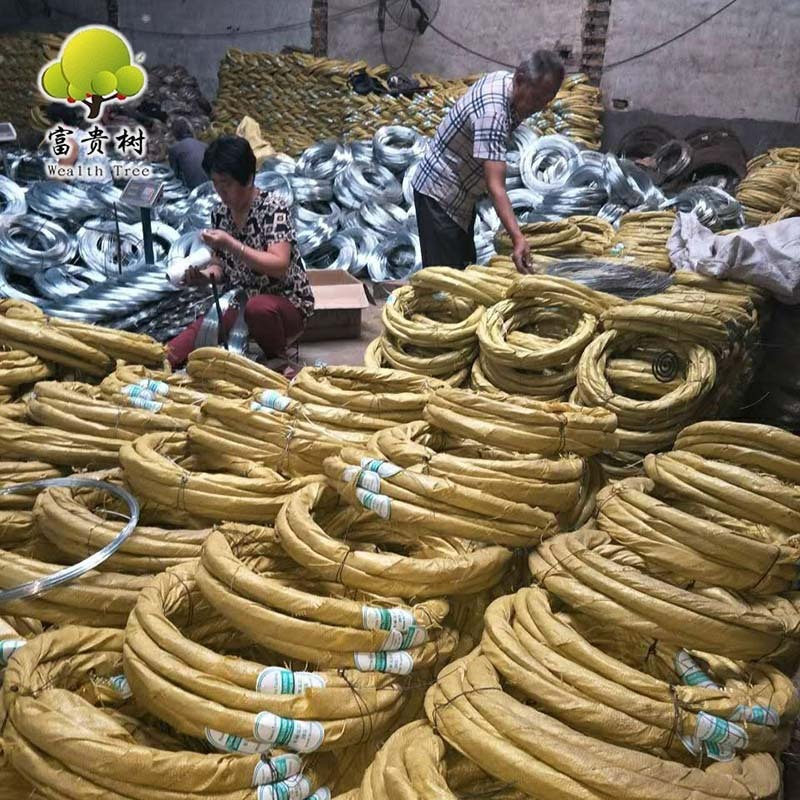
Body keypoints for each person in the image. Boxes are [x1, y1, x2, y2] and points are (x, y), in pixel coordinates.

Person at [166, 135, 314, 369]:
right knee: (200, 330)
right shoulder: (220, 214)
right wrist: (202, 277)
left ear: (248, 179)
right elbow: (220, 266)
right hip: (241, 300)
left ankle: (277, 358)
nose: (220, 191)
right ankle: (159, 361)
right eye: (215, 183)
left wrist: (231, 244)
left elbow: (279, 264)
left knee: (258, 308)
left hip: (284, 303)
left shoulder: (273, 209)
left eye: (226, 183)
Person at [412, 50, 565, 273]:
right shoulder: (493, 113)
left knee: (464, 270)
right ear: (520, 79)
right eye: (535, 98)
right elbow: (496, 187)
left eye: (546, 101)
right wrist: (517, 238)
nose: (538, 107)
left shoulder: (505, 83)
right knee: (445, 280)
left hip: (461, 197)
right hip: (440, 195)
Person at [168, 117, 208, 189]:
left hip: (193, 189)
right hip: (211, 186)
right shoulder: (204, 145)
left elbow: (173, 175)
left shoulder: (175, 149)